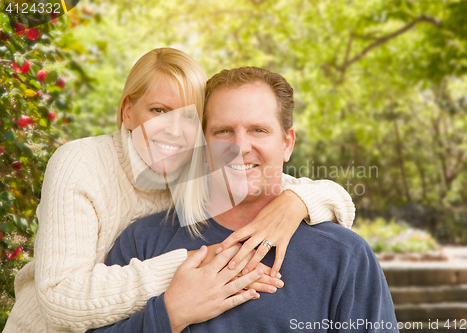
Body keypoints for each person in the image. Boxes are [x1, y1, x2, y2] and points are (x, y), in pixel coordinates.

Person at [3, 49, 355, 333]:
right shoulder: (80, 163)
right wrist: (190, 267)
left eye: (189, 117)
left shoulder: (197, 163)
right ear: (127, 111)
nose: (174, 130)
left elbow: (267, 177)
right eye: (158, 110)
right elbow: (60, 300)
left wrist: (296, 202)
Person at [87, 67, 398, 333]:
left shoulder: (343, 255)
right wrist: (169, 314)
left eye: (258, 130)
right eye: (223, 131)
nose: (239, 146)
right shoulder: (143, 241)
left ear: (287, 143)